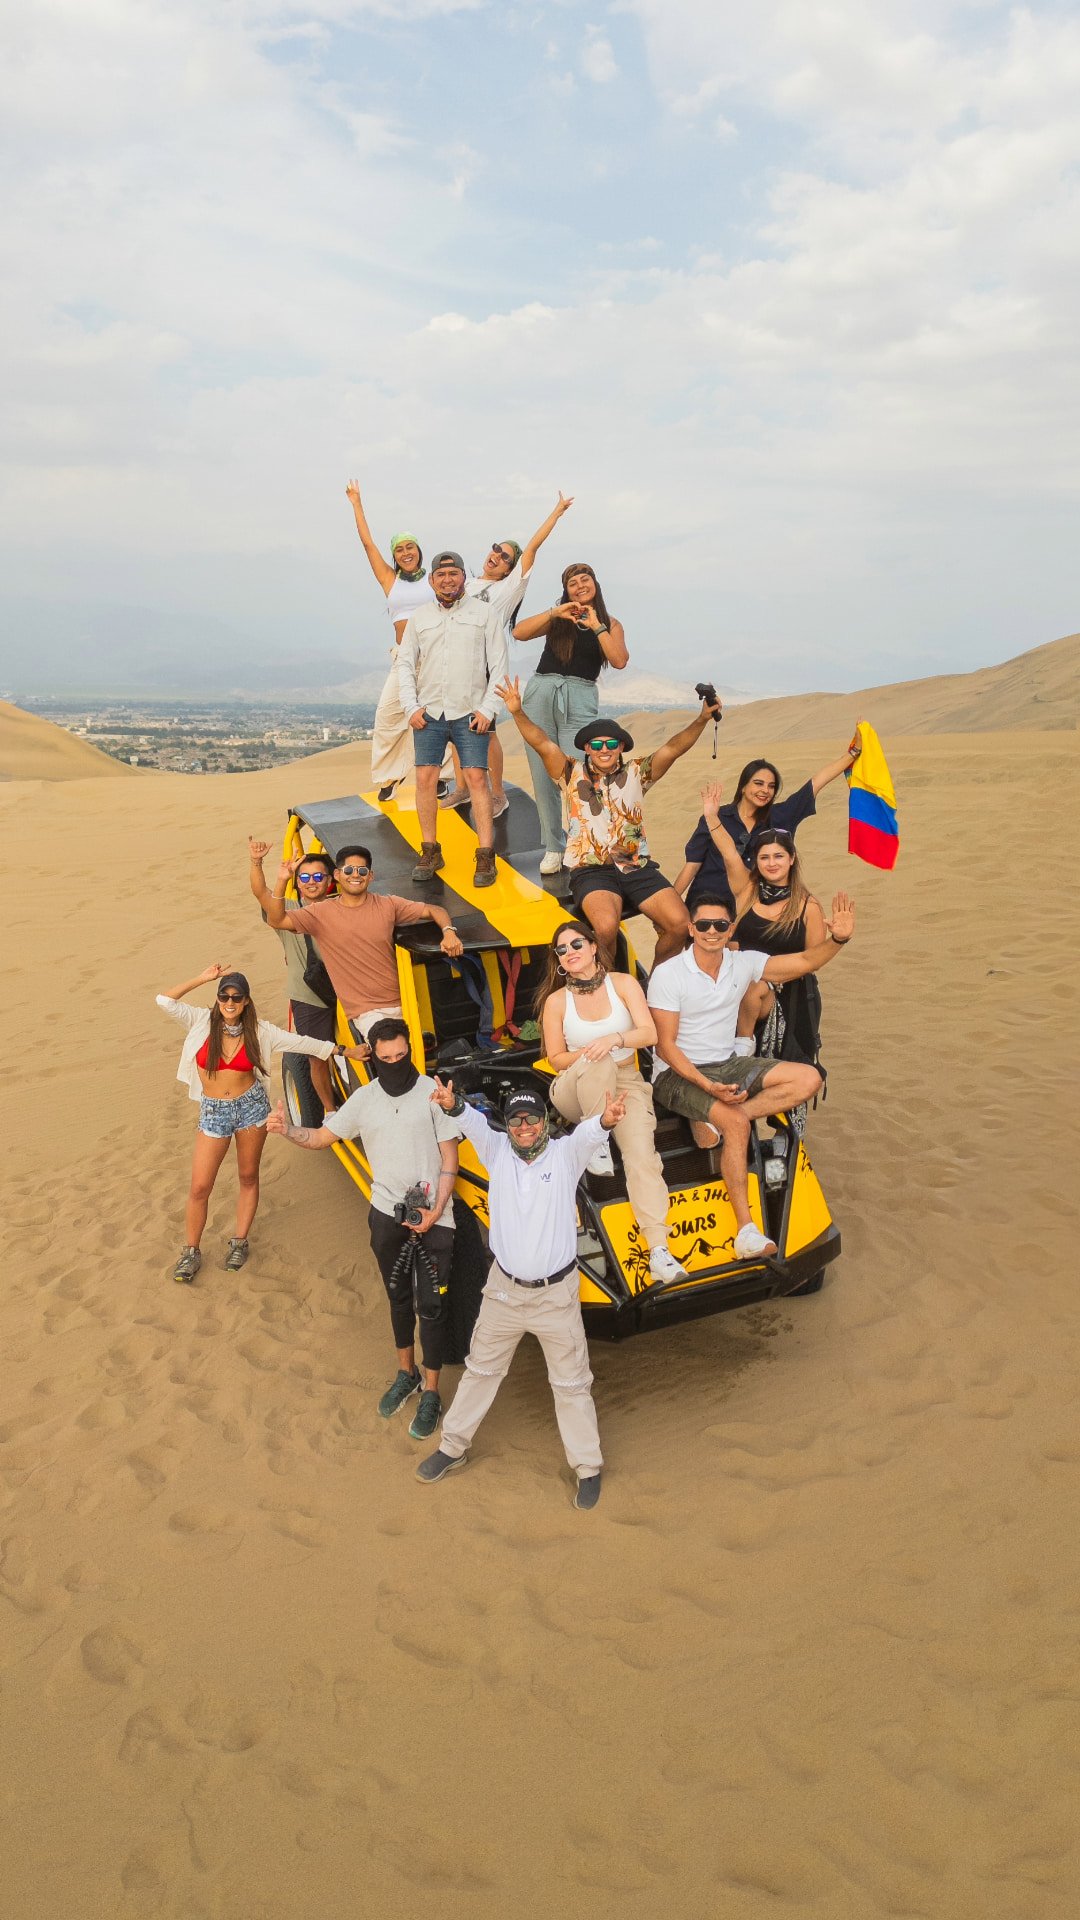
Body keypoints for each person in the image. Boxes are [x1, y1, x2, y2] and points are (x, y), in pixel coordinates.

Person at [417, 1080, 627, 1509]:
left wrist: (606, 1120)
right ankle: (452, 1448)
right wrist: (452, 1103)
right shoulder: (496, 1151)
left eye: (532, 1118)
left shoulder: (565, 1155)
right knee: (480, 1371)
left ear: (544, 1121)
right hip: (504, 1294)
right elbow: (472, 1123)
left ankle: (587, 1468)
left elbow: (589, 1134)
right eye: (516, 1120)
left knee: (572, 1384)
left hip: (556, 1297)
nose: (525, 1126)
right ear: (508, 1125)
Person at [266, 1018, 463, 1440]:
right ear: (373, 1057)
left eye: (401, 1055)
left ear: (410, 1051)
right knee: (398, 1296)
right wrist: (287, 1130)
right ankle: (406, 1373)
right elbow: (322, 1138)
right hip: (386, 1215)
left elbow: (450, 1159)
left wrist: (436, 1210)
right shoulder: (363, 1100)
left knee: (432, 1305)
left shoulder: (432, 1093)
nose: (395, 1063)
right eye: (386, 1058)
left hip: (434, 1218)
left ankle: (431, 1391)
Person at [647, 892, 855, 1260]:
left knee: (809, 1079)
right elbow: (665, 1047)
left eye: (721, 925)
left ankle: (727, 1116)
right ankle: (746, 1230)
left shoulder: (742, 963)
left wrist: (837, 939)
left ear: (730, 930)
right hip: (676, 1074)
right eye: (704, 924)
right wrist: (708, 1087)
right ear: (692, 929)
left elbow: (804, 961)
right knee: (737, 1126)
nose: (712, 931)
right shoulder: (669, 974)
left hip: (727, 1063)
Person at [156, 962, 361, 1283]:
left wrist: (345, 1051)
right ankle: (191, 1251)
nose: (230, 1003)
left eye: (236, 998)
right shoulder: (199, 1021)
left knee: (248, 1176)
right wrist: (203, 978)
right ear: (217, 999)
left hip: (251, 1109)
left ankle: (239, 1241)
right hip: (213, 1112)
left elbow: (304, 1043)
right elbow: (165, 1001)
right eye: (224, 997)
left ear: (246, 1001)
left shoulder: (261, 1031)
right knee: (200, 1186)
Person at [497, 676, 723, 964]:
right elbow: (542, 743)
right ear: (587, 748)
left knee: (680, 925)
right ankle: (609, 985)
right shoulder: (570, 773)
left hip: (635, 865)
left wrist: (702, 719)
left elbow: (673, 748)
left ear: (620, 747)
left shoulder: (638, 773)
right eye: (597, 744)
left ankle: (657, 983)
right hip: (591, 869)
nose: (604, 749)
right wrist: (517, 712)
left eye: (611, 743)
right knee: (605, 929)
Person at [537, 920, 686, 1285]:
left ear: (593, 947)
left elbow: (649, 1033)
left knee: (642, 1154)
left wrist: (614, 1040)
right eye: (562, 950)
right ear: (558, 960)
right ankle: (596, 1138)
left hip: (625, 1081)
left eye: (576, 944)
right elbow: (556, 1059)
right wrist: (594, 1051)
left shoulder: (623, 983)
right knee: (598, 1061)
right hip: (574, 1086)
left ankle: (658, 1249)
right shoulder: (556, 1001)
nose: (570, 953)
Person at [439, 492, 575, 819]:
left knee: (485, 732)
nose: (497, 557)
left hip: (483, 666)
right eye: (496, 550)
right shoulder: (467, 583)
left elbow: (532, 548)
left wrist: (556, 511)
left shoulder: (508, 589)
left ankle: (498, 794)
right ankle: (462, 787)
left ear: (510, 570)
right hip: (453, 665)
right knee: (455, 729)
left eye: (505, 557)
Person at [265, 843, 463, 1039]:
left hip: (403, 1002)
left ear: (370, 876)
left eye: (362, 871)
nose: (355, 875)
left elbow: (435, 910)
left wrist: (448, 932)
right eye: (348, 870)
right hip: (366, 1012)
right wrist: (282, 880)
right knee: (392, 1050)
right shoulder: (321, 913)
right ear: (337, 875)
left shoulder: (388, 904)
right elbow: (277, 920)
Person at [397, 552, 509, 887]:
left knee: (476, 779)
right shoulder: (420, 617)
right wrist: (410, 707)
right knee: (425, 779)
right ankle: (430, 851)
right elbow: (405, 663)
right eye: (441, 574)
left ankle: (485, 855)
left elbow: (499, 664)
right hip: (429, 713)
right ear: (432, 580)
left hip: (470, 712)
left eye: (454, 573)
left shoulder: (484, 614)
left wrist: (489, 709)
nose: (448, 580)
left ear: (463, 578)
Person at [695, 784, 828, 1066]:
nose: (771, 863)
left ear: (791, 859)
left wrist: (838, 937)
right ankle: (737, 1051)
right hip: (738, 989)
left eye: (778, 856)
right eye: (764, 857)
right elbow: (729, 853)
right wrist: (711, 818)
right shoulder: (747, 891)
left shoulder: (809, 906)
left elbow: (813, 960)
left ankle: (744, 1047)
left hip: (789, 993)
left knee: (794, 1072)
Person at [511, 562, 629, 872]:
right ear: (566, 591)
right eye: (572, 583)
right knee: (542, 772)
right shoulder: (558, 618)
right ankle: (553, 847)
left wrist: (597, 625)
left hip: (579, 695)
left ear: (595, 584)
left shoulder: (611, 623)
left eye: (584, 579)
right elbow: (519, 632)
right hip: (542, 690)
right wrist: (555, 613)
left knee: (580, 774)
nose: (579, 586)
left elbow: (619, 660)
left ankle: (588, 842)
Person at [673, 740, 860, 913]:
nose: (765, 790)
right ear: (743, 787)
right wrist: (671, 907)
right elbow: (692, 865)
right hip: (705, 906)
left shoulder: (780, 817)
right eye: (758, 783)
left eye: (771, 786)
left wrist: (853, 753)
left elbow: (816, 783)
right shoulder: (716, 816)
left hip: (752, 913)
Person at [344, 482, 437, 800]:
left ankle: (442, 777)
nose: (406, 553)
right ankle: (389, 777)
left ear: (419, 551)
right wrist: (357, 503)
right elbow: (367, 544)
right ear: (395, 555)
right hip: (404, 657)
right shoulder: (389, 579)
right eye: (400, 549)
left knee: (438, 716)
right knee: (387, 715)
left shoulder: (434, 579)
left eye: (411, 547)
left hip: (434, 655)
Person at [247, 838, 337, 1117]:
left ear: (329, 880)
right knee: (317, 1055)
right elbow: (260, 892)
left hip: (348, 991)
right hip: (309, 996)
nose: (312, 883)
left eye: (318, 877)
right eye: (305, 877)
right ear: (298, 882)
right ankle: (331, 1111)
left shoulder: (343, 907)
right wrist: (257, 862)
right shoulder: (285, 910)